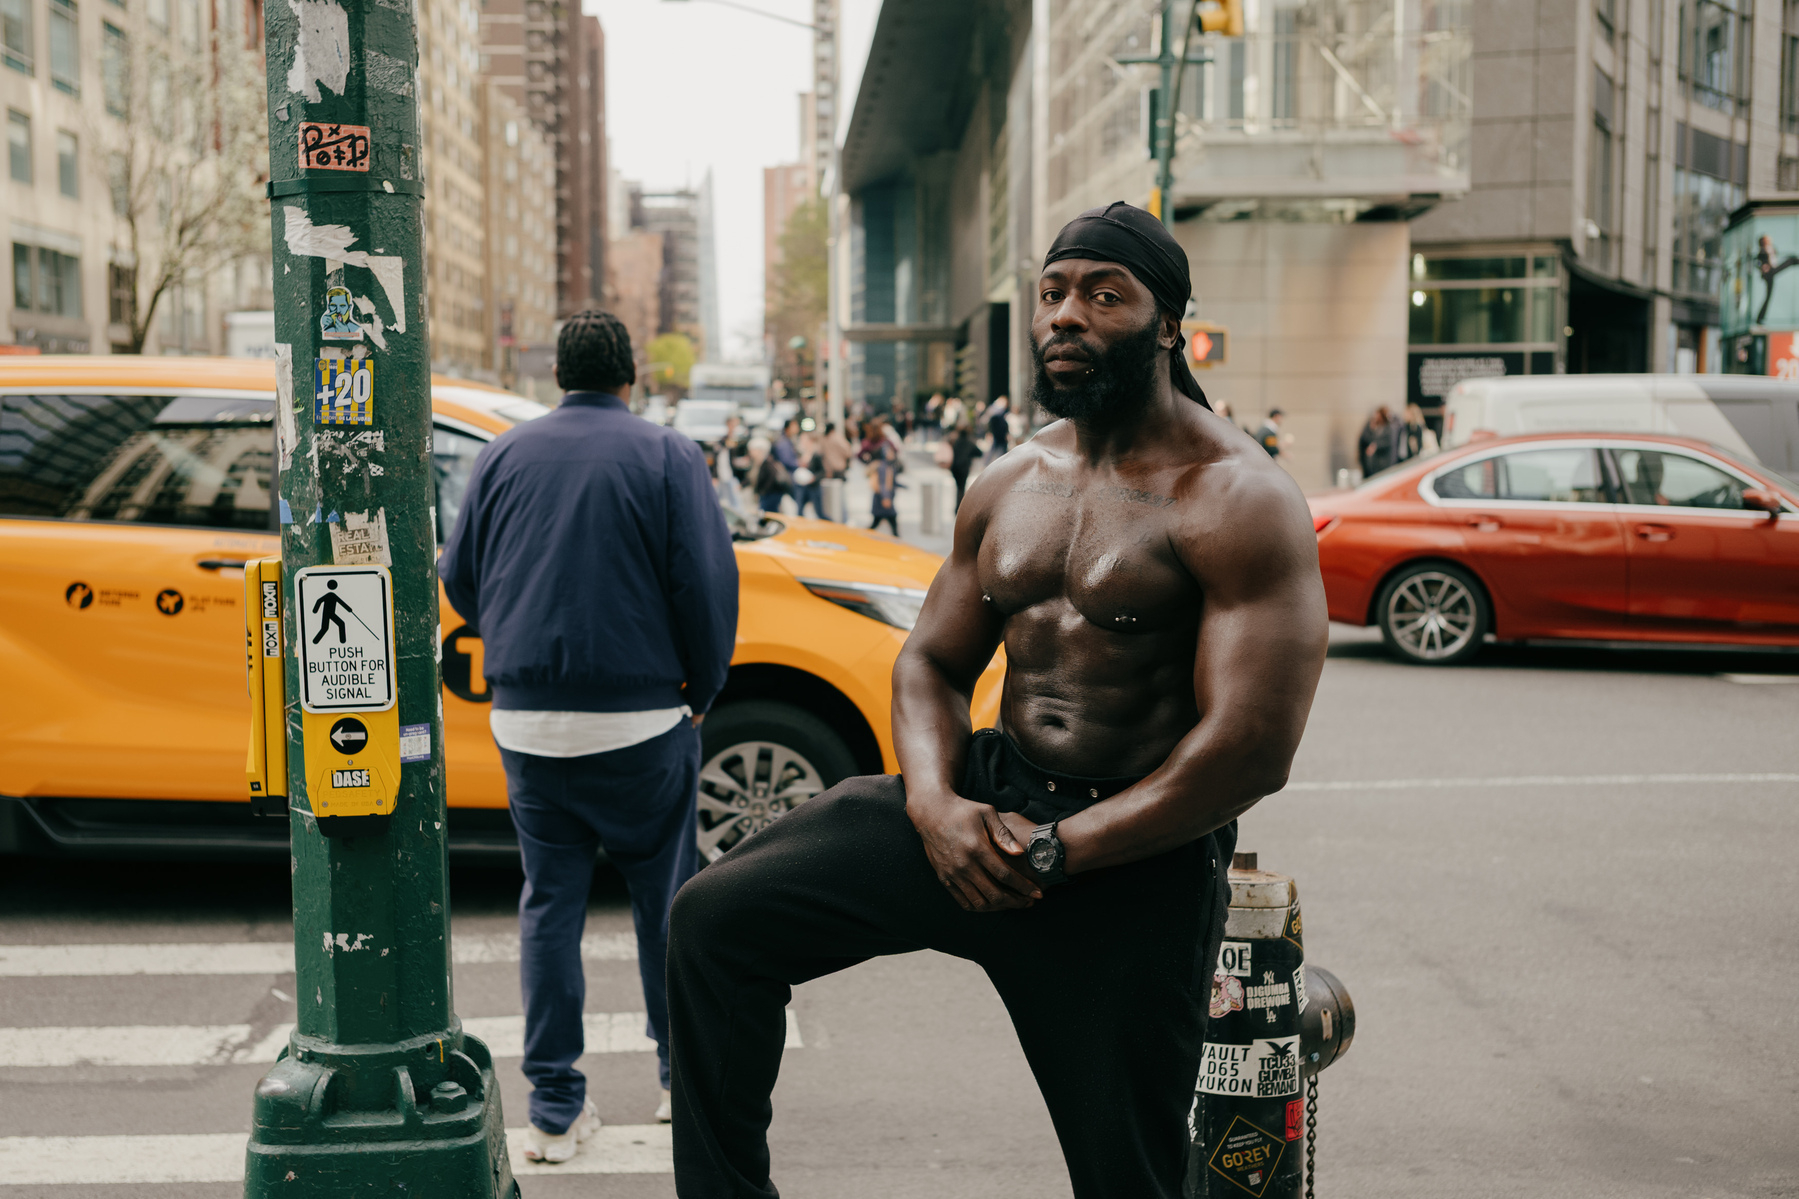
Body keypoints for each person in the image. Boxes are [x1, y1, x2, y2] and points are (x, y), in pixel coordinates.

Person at [666, 201, 1327, 1198]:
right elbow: (929, 661)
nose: (1067, 313)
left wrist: (1066, 848)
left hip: (1127, 862)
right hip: (980, 803)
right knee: (713, 922)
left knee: (1127, 1177)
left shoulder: (1234, 496)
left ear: (1163, 324)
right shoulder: (1010, 478)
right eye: (1054, 291)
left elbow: (1248, 747)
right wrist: (932, 804)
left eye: (1104, 294)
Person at [440, 310, 738, 1162]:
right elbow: (705, 584)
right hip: (644, 719)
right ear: (630, 376)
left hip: (528, 720)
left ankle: (555, 1109)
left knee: (548, 905)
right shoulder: (668, 454)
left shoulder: (502, 453)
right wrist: (701, 688)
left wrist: (515, 634)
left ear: (556, 376)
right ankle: (681, 1084)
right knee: (666, 904)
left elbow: (459, 576)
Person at [746, 436, 788, 515]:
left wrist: (762, 492)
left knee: (769, 513)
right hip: (767, 494)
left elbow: (770, 480)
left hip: (771, 494)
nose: (751, 452)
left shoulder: (767, 463)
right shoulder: (759, 463)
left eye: (752, 450)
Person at [791, 429, 826, 519]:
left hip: (813, 488)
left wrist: (813, 478)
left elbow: (822, 472)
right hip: (802, 488)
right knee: (799, 512)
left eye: (804, 440)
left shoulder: (816, 455)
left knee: (819, 513)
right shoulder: (800, 454)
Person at [948, 420, 982, 511]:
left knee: (959, 487)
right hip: (963, 468)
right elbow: (979, 453)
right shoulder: (969, 443)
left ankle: (958, 507)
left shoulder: (955, 441)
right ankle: (959, 508)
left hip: (954, 468)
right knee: (961, 487)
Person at [1358, 406, 1396, 476]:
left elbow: (1388, 442)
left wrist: (1376, 446)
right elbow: (1366, 439)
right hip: (1375, 462)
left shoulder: (1389, 428)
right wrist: (1371, 429)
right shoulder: (1375, 427)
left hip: (1384, 461)